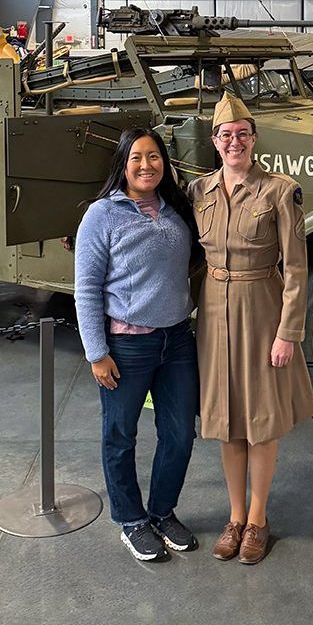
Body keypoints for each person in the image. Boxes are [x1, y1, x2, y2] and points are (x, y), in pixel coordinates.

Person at [188, 92, 313, 565]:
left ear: (254, 139)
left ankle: (258, 520)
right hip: (214, 312)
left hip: (262, 308)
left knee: (261, 420)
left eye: (242, 134)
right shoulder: (198, 191)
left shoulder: (280, 191)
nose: (234, 142)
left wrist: (288, 332)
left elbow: (296, 268)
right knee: (226, 420)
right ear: (214, 141)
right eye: (226, 135)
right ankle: (235, 517)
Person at [75, 127, 200, 563]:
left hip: (177, 340)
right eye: (137, 158)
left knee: (180, 434)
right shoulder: (102, 215)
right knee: (120, 436)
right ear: (123, 165)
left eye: (154, 156)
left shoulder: (175, 208)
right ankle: (131, 520)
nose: (147, 165)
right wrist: (97, 353)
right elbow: (86, 289)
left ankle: (162, 512)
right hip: (127, 346)